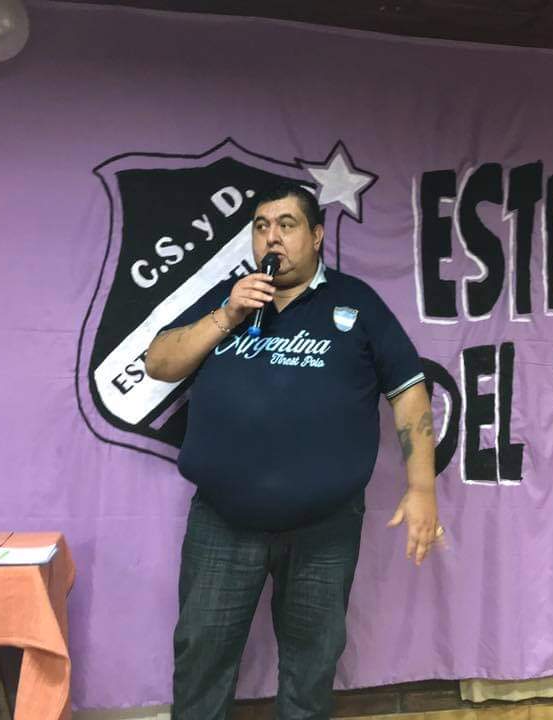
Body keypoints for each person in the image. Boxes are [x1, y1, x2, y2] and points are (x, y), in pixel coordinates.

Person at [145, 182, 440, 720]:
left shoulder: (356, 302)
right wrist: (228, 314)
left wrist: (421, 487)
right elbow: (159, 363)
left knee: (311, 667)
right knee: (201, 655)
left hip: (324, 527)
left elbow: (409, 391)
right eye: (261, 226)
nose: (272, 237)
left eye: (286, 225)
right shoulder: (229, 297)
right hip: (223, 521)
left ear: (316, 235)